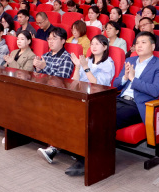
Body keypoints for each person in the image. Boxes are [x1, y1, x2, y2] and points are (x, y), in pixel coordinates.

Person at [60, 34, 116, 176]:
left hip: (98, 99)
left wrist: (85, 68)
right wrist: (78, 67)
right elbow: (75, 81)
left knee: (80, 118)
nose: (93, 46)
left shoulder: (108, 63)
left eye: (97, 44)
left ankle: (82, 157)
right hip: (82, 95)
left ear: (105, 47)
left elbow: (98, 84)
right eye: (92, 44)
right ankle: (63, 146)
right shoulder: (88, 60)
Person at [35, 27, 76, 166]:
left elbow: (62, 78)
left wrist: (44, 67)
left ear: (63, 41)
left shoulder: (66, 57)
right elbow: (38, 77)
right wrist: (37, 69)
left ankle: (53, 147)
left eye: (54, 38)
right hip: (43, 91)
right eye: (49, 38)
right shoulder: (45, 55)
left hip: (59, 94)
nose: (51, 41)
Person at [113, 32, 159, 130]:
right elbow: (115, 85)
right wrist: (125, 77)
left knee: (110, 117)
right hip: (120, 100)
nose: (139, 46)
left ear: (153, 46)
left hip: (138, 105)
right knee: (93, 111)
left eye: (143, 42)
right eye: (137, 43)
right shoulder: (130, 60)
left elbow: (155, 90)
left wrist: (133, 79)